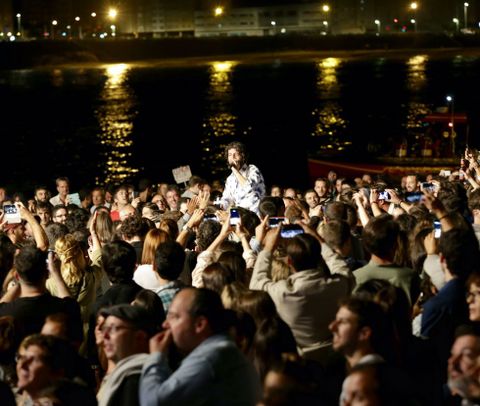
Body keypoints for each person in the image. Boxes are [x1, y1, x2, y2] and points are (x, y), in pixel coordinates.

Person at [139, 287, 261, 405]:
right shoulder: (221, 351)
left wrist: (156, 357)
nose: (165, 324)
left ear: (200, 324)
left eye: (174, 317)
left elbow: (153, 402)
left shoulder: (210, 359)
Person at [97, 304, 158, 406]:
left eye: (113, 329)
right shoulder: (119, 377)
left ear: (140, 337)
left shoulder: (137, 380)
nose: (105, 336)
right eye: (104, 329)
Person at [218, 141, 265, 214]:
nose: (233, 157)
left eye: (236, 154)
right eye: (230, 155)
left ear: (243, 156)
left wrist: (234, 169)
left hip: (255, 214)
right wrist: (218, 205)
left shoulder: (252, 169)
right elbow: (227, 199)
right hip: (240, 215)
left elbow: (249, 187)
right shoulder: (230, 178)